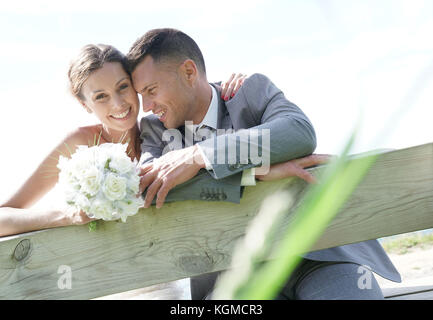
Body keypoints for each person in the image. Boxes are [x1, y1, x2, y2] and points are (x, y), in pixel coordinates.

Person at [126, 28, 402, 299]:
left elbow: (298, 133)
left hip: (319, 255)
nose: (147, 105)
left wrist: (199, 156)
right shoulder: (155, 130)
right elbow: (155, 190)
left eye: (151, 90)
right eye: (141, 95)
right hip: (234, 276)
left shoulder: (250, 91)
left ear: (189, 72)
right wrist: (254, 174)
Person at [0, 44, 322, 239]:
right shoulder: (78, 144)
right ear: (86, 106)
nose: (118, 104)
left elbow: (200, 101)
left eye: (124, 87)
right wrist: (66, 216)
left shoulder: (162, 126)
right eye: (101, 96)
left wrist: (251, 170)